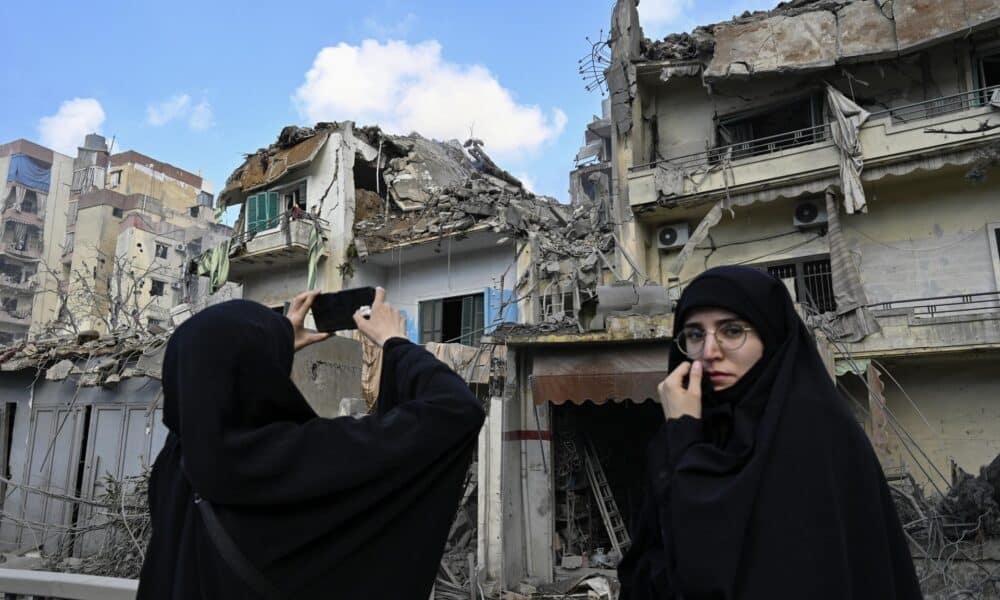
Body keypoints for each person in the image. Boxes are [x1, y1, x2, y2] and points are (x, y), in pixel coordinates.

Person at [138, 288, 485, 599]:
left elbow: (205, 382)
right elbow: (456, 410)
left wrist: (273, 342)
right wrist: (395, 342)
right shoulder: (304, 457)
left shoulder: (175, 468)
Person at [617, 265, 921, 599]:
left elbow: (712, 569)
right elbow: (650, 563)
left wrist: (685, 443)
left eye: (732, 331)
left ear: (770, 335)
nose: (709, 351)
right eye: (694, 334)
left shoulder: (812, 432)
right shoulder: (693, 426)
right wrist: (680, 437)